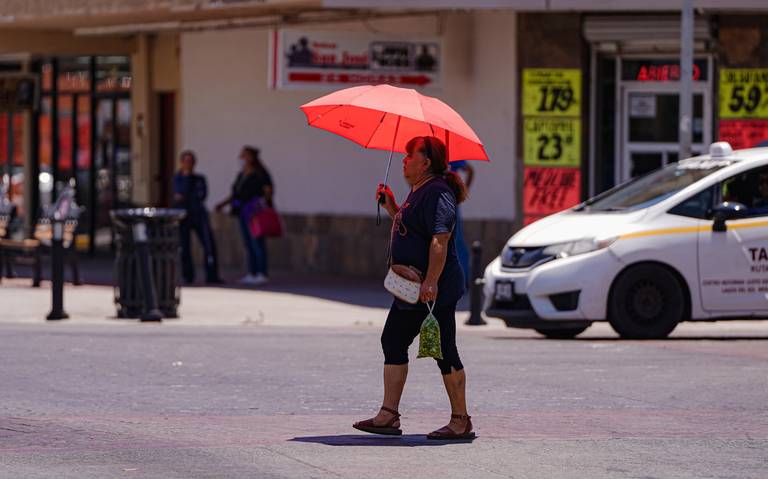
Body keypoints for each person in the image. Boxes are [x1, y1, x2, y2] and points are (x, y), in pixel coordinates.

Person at [353, 136, 473, 440]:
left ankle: (460, 420)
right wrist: (392, 206)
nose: (404, 160)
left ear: (426, 162)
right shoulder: (417, 192)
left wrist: (431, 281)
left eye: (410, 156)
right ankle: (388, 415)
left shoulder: (438, 193)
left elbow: (439, 239)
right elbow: (413, 229)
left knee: (445, 351)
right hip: (411, 289)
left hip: (433, 290)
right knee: (393, 340)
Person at [215, 146, 274, 285]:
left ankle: (261, 272)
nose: (241, 158)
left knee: (257, 243)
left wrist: (260, 206)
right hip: (242, 212)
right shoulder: (242, 174)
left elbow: (268, 191)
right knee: (248, 243)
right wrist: (223, 204)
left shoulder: (260, 173)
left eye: (244, 155)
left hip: (254, 213)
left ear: (252, 157)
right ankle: (252, 272)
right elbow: (236, 193)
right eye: (241, 155)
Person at [172, 150, 221, 284]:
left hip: (198, 215)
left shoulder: (199, 179)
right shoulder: (177, 179)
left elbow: (201, 195)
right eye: (186, 161)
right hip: (183, 217)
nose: (189, 164)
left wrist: (187, 196)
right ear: (181, 163)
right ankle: (188, 276)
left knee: (208, 245)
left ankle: (212, 275)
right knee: (184, 247)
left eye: (191, 162)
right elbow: (178, 196)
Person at [449, 160, 474, 286]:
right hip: (436, 201)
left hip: (451, 202)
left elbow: (470, 170)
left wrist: (463, 192)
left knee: (457, 240)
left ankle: (463, 279)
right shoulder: (431, 154)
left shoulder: (453, 156)